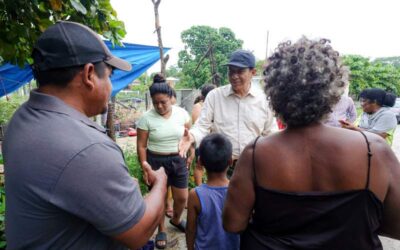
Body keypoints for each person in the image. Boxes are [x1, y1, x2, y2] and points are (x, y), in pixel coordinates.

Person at [3, 21, 167, 250]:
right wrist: (160, 182)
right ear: (89, 74)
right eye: (109, 76)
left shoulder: (22, 119)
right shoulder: (87, 148)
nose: (110, 86)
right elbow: (138, 232)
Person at [223, 37, 400, 249]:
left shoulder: (256, 153)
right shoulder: (374, 150)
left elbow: (233, 223)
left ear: (274, 93)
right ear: (333, 90)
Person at [179, 50, 275, 178]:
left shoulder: (264, 100)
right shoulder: (215, 96)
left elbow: (271, 134)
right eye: (231, 71)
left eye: (240, 71)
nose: (234, 76)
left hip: (255, 167)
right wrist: (191, 136)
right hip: (222, 169)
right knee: (223, 198)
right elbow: (202, 126)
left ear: (253, 72)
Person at [136, 76, 191, 249]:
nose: (159, 106)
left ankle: (175, 219)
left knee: (182, 198)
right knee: (158, 198)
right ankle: (161, 229)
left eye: (163, 102)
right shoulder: (146, 118)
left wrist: (191, 152)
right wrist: (145, 167)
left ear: (171, 99)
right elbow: (141, 146)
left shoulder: (182, 113)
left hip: (178, 159)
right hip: (156, 160)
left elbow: (189, 135)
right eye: (155, 102)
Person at [186, 133, 240, 250]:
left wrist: (190, 248)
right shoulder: (240, 191)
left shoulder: (195, 194)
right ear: (230, 161)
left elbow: (191, 229)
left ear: (200, 161)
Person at [191, 84, 216, 185]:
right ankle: (200, 188)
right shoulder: (198, 106)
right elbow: (199, 125)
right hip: (202, 141)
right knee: (200, 165)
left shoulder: (214, 105)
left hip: (213, 141)